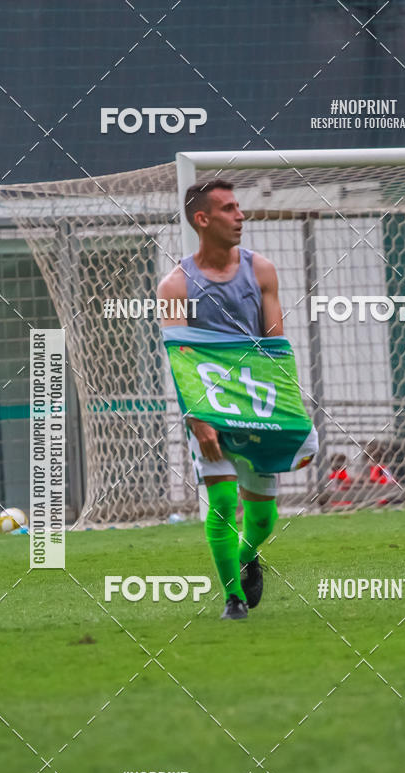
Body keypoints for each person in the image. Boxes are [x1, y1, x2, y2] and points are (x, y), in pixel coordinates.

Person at [159, 179, 284, 620]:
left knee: (263, 518)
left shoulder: (262, 271)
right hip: (209, 407)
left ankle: (248, 554)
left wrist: (287, 416)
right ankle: (232, 598)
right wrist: (197, 420)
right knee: (224, 502)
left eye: (239, 207)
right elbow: (180, 360)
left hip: (259, 404)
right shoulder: (175, 285)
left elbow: (277, 349)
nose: (241, 215)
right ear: (202, 219)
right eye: (230, 209)